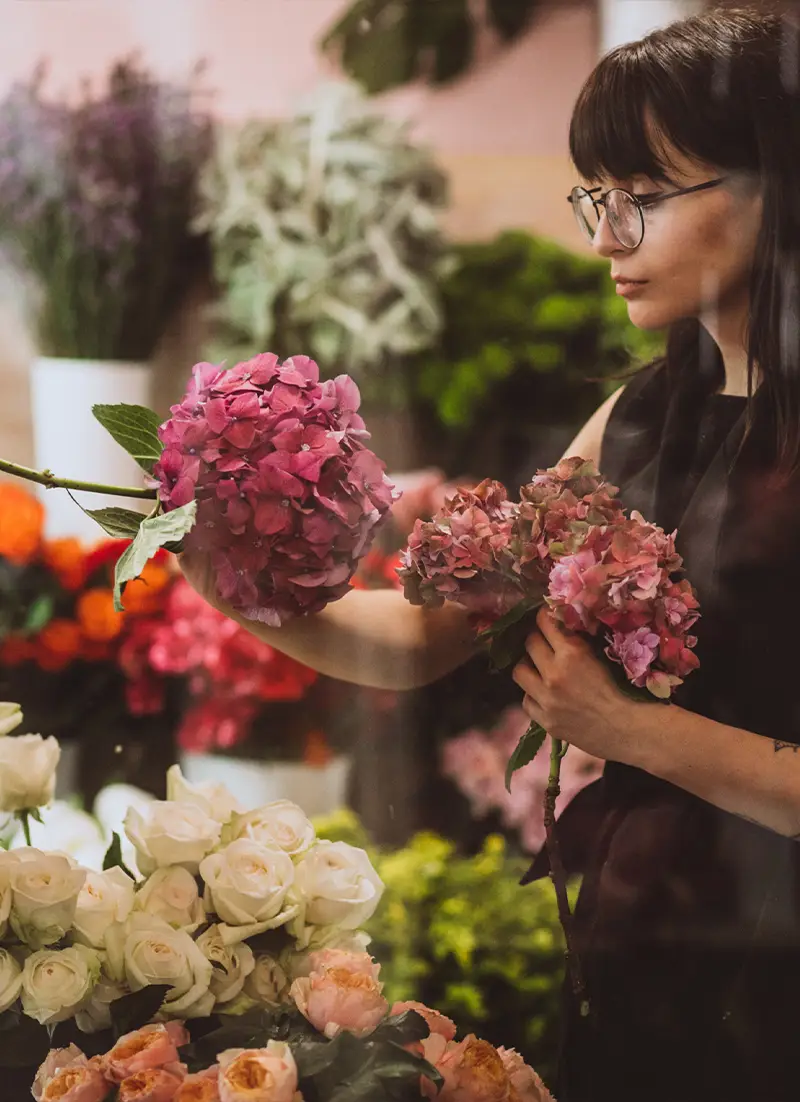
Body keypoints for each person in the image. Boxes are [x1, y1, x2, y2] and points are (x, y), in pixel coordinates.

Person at [181, 6, 800, 1098]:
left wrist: (628, 731)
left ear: (774, 181)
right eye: (593, 199)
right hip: (652, 938)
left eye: (639, 201)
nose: (602, 238)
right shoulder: (636, 421)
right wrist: (226, 572)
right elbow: (424, 636)